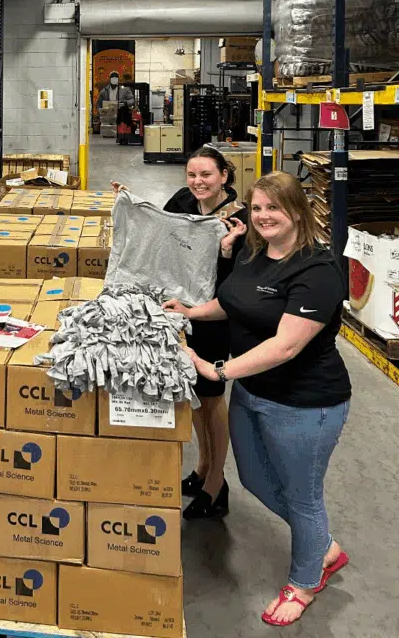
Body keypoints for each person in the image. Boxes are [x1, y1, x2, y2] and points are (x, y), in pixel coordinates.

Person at [165, 172, 351, 626]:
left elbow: (286, 345)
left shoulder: (318, 270)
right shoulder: (256, 253)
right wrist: (191, 311)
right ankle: (322, 543)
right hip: (254, 392)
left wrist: (217, 370)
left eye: (274, 207)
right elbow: (233, 302)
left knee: (302, 496)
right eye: (258, 207)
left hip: (306, 403)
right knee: (253, 479)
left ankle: (306, 580)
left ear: (298, 211)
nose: (264, 216)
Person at [113, 145, 247, 521]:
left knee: (212, 397)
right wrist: (130, 205)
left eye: (206, 174)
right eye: (192, 174)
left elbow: (238, 282)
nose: (198, 182)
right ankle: (202, 468)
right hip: (180, 314)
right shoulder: (184, 199)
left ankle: (217, 485)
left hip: (214, 319)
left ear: (223, 176)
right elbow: (160, 231)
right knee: (197, 399)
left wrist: (223, 253)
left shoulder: (237, 219)